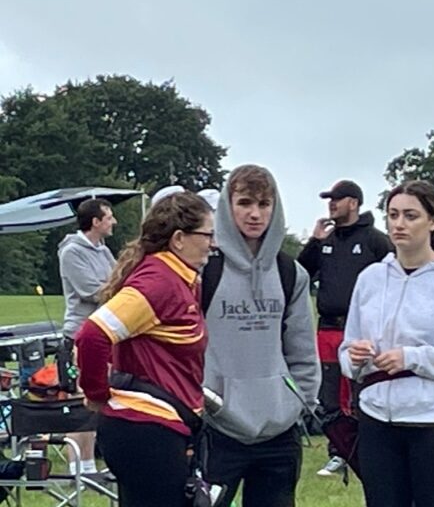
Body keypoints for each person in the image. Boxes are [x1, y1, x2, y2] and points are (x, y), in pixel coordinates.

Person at [339, 180, 434, 507]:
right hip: (377, 421)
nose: (399, 224)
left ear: (433, 221)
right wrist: (353, 357)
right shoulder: (370, 279)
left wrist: (412, 357)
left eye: (411, 216)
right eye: (393, 215)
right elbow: (347, 350)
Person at [75, 192, 214, 507]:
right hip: (147, 430)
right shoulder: (159, 282)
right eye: (207, 235)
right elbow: (92, 335)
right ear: (179, 239)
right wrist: (97, 393)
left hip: (156, 429)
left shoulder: (178, 278)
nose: (212, 244)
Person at [202, 164, 321, 507]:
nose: (255, 214)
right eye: (244, 203)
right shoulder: (204, 270)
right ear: (227, 206)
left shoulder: (290, 272)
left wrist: (298, 404)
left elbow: (302, 349)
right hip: (216, 426)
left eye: (264, 204)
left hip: (278, 431)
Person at [297, 179, 392, 476]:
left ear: (353, 203)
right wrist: (314, 241)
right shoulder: (327, 241)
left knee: (356, 392)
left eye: (337, 199)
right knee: (328, 395)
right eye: (329, 200)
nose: (331, 205)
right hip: (327, 327)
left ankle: (364, 450)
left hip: (361, 330)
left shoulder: (375, 240)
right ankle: (338, 451)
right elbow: (300, 274)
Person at [58, 197, 117, 475]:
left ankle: (90, 465)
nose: (114, 221)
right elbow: (90, 291)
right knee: (80, 401)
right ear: (95, 222)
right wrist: (119, 290)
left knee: (97, 399)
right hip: (80, 335)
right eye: (109, 217)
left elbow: (119, 278)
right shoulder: (71, 252)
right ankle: (75, 468)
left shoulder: (103, 251)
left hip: (104, 333)